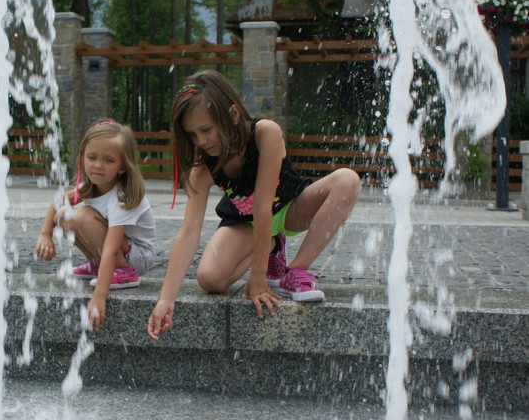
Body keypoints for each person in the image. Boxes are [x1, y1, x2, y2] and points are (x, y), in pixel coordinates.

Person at [147, 70, 360, 340]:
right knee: (210, 279)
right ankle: (272, 245)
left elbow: (263, 207)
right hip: (244, 223)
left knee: (347, 181)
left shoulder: (265, 134)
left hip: (289, 208)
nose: (201, 141)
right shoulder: (203, 169)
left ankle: (294, 270)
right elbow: (189, 232)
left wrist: (258, 278)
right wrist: (166, 299)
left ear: (233, 115)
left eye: (206, 130)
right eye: (192, 135)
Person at [36, 119, 156, 330]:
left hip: (136, 256)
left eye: (108, 160)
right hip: (116, 249)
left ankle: (123, 272)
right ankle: (97, 264)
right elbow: (59, 202)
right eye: (92, 157)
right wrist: (45, 234)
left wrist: (99, 297)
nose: (98, 165)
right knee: (65, 215)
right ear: (83, 157)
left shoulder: (121, 196)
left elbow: (111, 247)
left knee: (82, 216)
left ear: (122, 166)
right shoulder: (91, 186)